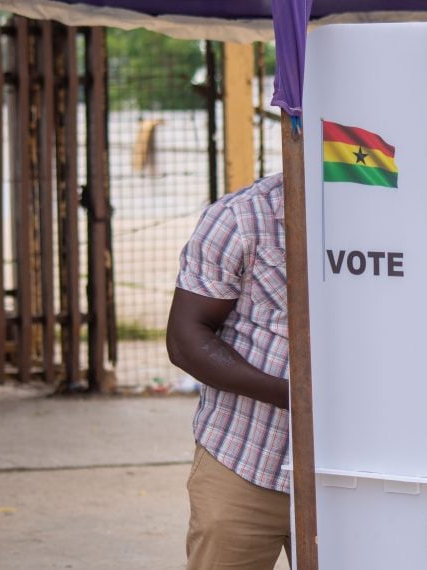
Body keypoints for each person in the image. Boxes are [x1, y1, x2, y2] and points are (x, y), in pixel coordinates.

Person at [166, 173, 291, 570]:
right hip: (245, 458)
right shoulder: (240, 217)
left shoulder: (394, 217)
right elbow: (186, 340)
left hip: (356, 474)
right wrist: (296, 397)